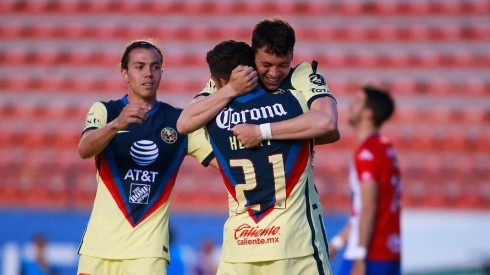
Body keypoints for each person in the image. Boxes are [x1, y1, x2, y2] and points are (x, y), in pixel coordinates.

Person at [177, 18, 340, 275]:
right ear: (253, 56)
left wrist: (261, 133)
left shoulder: (300, 76)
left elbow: (328, 125)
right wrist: (232, 88)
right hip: (280, 246)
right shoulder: (234, 83)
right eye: (266, 65)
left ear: (292, 57)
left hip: (268, 244)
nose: (274, 73)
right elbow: (184, 122)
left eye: (282, 65)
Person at [76, 39, 217, 275]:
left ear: (162, 71)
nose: (148, 74)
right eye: (139, 67)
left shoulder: (179, 121)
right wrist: (117, 125)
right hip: (98, 248)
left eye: (155, 67)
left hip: (147, 252)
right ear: (125, 73)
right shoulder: (105, 110)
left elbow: (221, 161)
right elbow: (84, 149)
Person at [328, 86, 401, 275]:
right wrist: (337, 243)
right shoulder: (386, 149)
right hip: (390, 252)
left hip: (369, 254)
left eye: (357, 101)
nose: (350, 105)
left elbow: (368, 207)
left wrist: (360, 256)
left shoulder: (366, 153)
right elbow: (363, 210)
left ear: (367, 114)